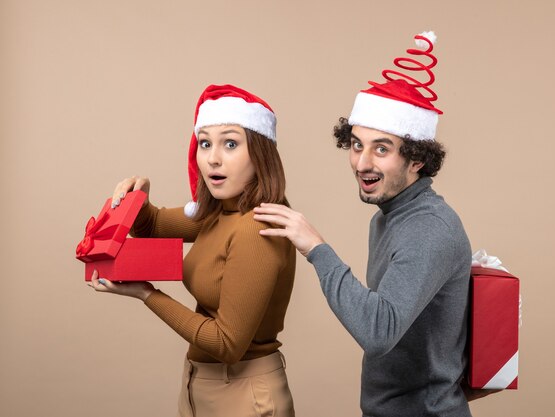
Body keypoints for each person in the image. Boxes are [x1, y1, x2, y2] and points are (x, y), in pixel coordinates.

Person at [254, 32, 474, 416]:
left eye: (382, 148)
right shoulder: (388, 217)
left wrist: (316, 249)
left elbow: (379, 332)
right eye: (357, 144)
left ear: (417, 159)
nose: (362, 163)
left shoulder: (430, 227)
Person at [87, 84, 296, 417]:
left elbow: (227, 344)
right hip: (201, 385)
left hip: (243, 395)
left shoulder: (256, 228)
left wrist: (147, 295)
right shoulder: (221, 214)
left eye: (230, 143)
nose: (213, 157)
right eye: (205, 143)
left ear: (260, 153)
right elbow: (152, 226)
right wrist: (138, 199)